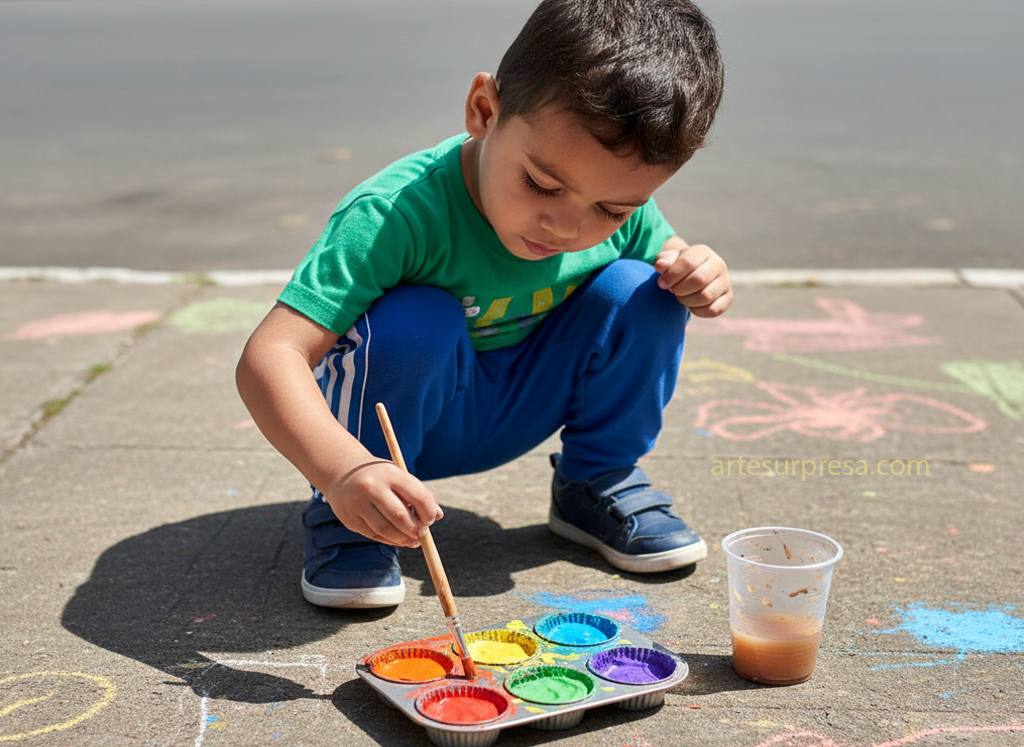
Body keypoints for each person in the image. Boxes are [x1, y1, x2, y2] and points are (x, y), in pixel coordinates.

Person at [236, 0, 732, 609]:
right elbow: (270, 354)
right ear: (484, 110)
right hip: (395, 434)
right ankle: (353, 521)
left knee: (644, 290)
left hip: (521, 405)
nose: (566, 226)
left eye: (612, 210)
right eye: (542, 185)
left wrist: (695, 273)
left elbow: (667, 255)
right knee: (420, 318)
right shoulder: (395, 213)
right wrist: (342, 470)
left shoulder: (615, 212)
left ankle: (594, 482)